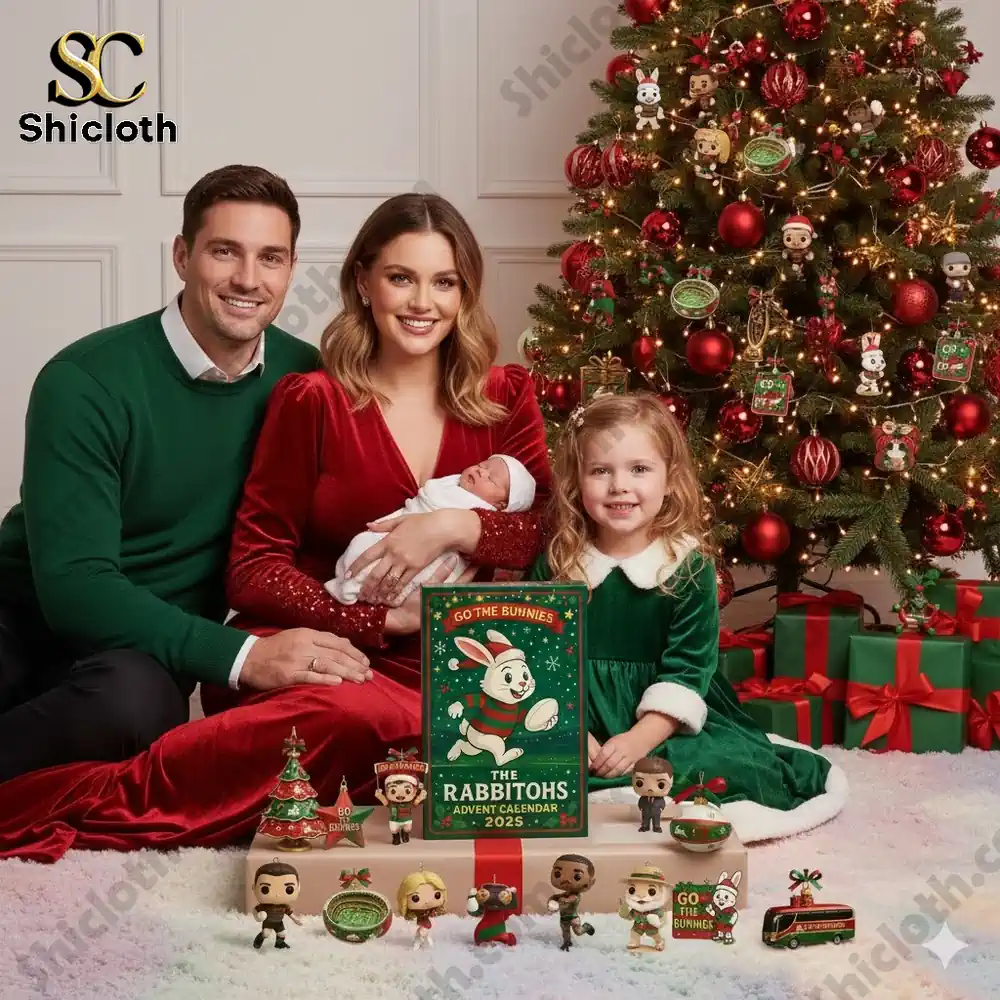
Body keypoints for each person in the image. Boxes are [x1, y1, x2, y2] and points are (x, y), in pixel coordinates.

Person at [0, 191, 551, 862]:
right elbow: (247, 567)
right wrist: (372, 624)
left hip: (435, 654)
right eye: (401, 277)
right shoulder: (309, 392)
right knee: (341, 717)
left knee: (144, 712)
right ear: (363, 281)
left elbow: (546, 531)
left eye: (445, 281)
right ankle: (62, 800)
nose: (421, 301)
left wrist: (455, 528)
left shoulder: (504, 395)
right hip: (280, 633)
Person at [0, 163, 334, 784]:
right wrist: (243, 655)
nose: (247, 279)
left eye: (271, 258)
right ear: (183, 256)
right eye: (224, 251)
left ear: (291, 269)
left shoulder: (304, 382)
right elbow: (75, 587)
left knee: (138, 709)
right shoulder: (86, 381)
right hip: (23, 614)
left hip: (140, 651)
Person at [528, 393, 847, 844]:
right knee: (517, 772)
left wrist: (640, 740)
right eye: (601, 471)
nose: (620, 486)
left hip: (662, 715)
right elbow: (541, 660)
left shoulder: (687, 568)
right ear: (577, 483)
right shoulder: (558, 563)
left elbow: (688, 669)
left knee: (719, 771)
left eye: (639, 469)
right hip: (573, 710)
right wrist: (569, 730)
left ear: (669, 479)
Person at [325, 453, 536, 604]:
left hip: (438, 562)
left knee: (413, 577)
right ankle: (346, 580)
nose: (481, 471)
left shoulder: (484, 511)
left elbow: (539, 535)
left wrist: (450, 527)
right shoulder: (447, 487)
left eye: (491, 478)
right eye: (482, 465)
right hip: (403, 528)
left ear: (502, 506)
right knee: (362, 544)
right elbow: (425, 499)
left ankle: (352, 590)